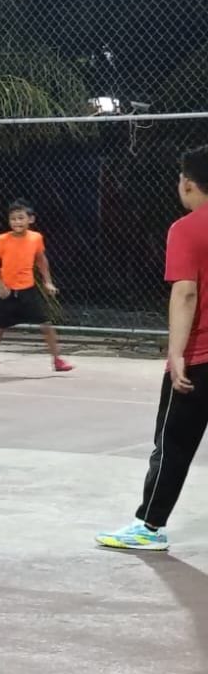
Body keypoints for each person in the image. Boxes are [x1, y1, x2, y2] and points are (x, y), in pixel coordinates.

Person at [96, 145, 208, 552]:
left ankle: (149, 525)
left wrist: (176, 354)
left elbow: (186, 294)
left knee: (174, 444)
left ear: (189, 184)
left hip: (200, 358)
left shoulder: (187, 228)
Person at [0, 199, 74, 376]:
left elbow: (41, 260)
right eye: (13, 219)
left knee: (46, 324)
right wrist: (0, 284)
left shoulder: (36, 238)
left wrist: (47, 281)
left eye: (20, 218)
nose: (17, 222)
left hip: (28, 290)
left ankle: (57, 360)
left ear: (30, 219)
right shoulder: (2, 239)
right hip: (7, 291)